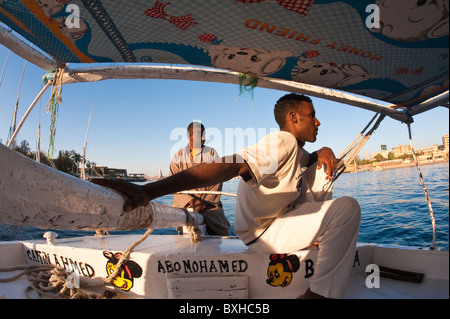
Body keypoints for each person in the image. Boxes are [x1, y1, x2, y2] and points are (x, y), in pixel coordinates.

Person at [92, 93, 361, 299]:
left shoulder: (296, 150)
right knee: (347, 209)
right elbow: (234, 165)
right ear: (293, 118)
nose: (318, 121)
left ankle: (317, 235)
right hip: (264, 233)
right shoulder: (283, 142)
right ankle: (320, 294)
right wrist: (149, 191)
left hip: (277, 223)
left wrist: (322, 150)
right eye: (312, 115)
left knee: (323, 170)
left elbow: (307, 161)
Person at [169, 121, 230, 236]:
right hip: (185, 206)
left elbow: (218, 179)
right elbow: (173, 184)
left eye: (204, 134)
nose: (203, 138)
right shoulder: (178, 157)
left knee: (222, 232)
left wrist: (203, 203)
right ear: (189, 136)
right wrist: (191, 201)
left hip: (209, 205)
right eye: (199, 134)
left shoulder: (211, 153)